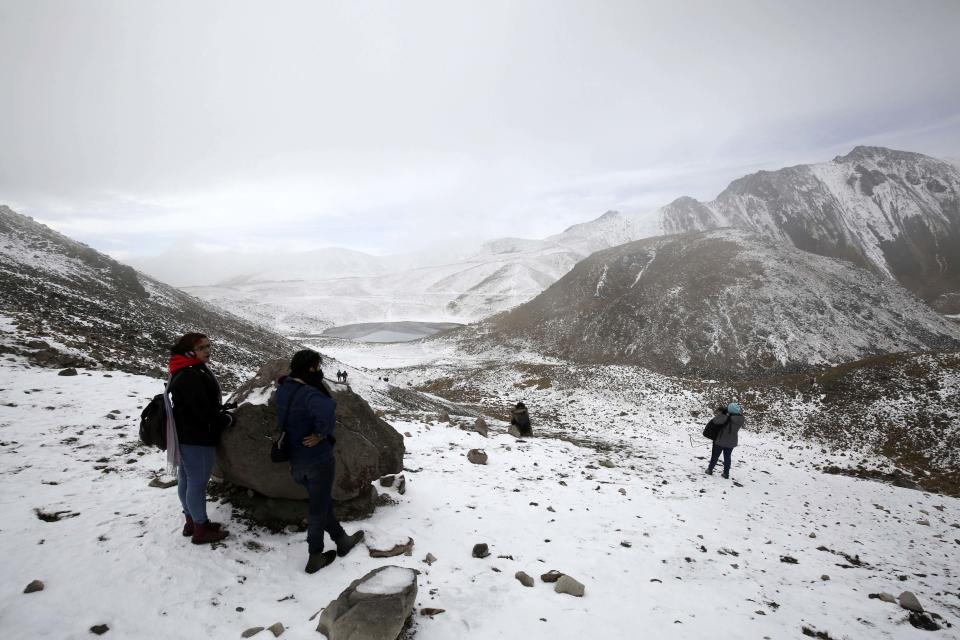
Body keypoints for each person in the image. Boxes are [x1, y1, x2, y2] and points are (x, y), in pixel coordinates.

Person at [276, 349, 364, 573]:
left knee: (320, 501)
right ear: (311, 368)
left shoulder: (285, 387)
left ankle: (342, 539)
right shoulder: (311, 393)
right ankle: (315, 555)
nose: (320, 370)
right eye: (317, 366)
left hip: (295, 460)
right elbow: (327, 413)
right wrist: (321, 434)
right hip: (317, 460)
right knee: (317, 508)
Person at [168, 332, 232, 544]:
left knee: (186, 479)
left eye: (208, 346)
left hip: (186, 434)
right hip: (197, 437)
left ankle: (192, 521)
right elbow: (203, 412)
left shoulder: (184, 369)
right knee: (197, 483)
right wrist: (226, 420)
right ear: (189, 352)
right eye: (202, 348)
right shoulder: (190, 375)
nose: (208, 351)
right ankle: (201, 529)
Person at [706, 403, 745, 479]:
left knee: (715, 456)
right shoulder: (741, 419)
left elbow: (715, 420)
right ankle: (726, 473)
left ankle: (710, 469)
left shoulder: (726, 418)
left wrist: (723, 413)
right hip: (732, 442)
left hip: (720, 441)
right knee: (727, 457)